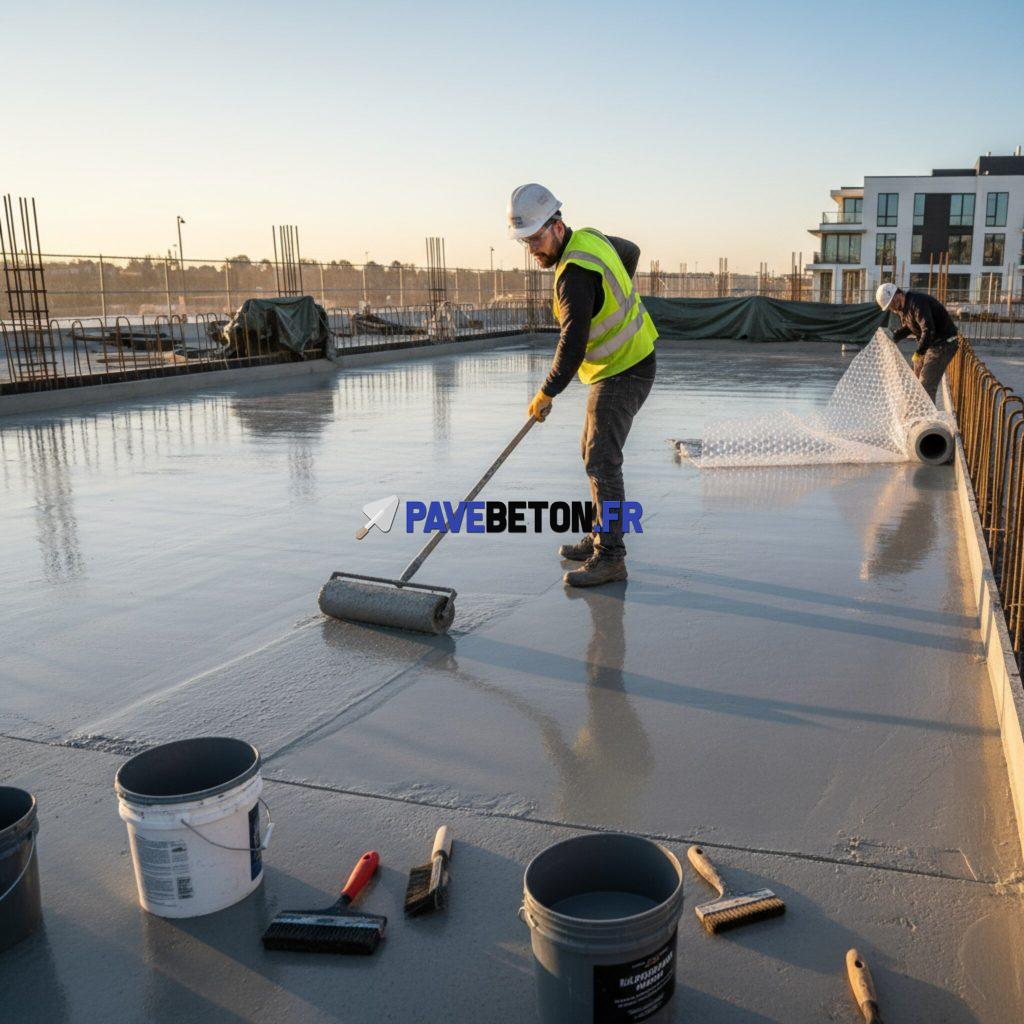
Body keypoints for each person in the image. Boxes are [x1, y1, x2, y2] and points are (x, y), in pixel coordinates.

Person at [507, 183, 658, 587]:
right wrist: (611, 293)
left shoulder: (574, 275)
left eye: (535, 239)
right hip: (621, 363)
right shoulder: (590, 238)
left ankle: (611, 556)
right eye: (525, 241)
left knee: (602, 460)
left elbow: (572, 344)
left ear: (556, 226)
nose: (532, 249)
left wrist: (546, 392)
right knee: (592, 453)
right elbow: (630, 252)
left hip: (625, 367)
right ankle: (600, 534)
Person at [875, 283, 959, 402]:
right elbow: (910, 326)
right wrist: (895, 337)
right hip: (933, 344)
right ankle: (919, 410)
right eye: (889, 307)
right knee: (916, 380)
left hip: (944, 344)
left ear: (897, 295)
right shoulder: (903, 309)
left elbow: (928, 329)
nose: (892, 309)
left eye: (891, 304)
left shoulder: (917, 303)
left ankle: (927, 413)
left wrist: (919, 353)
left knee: (926, 386)